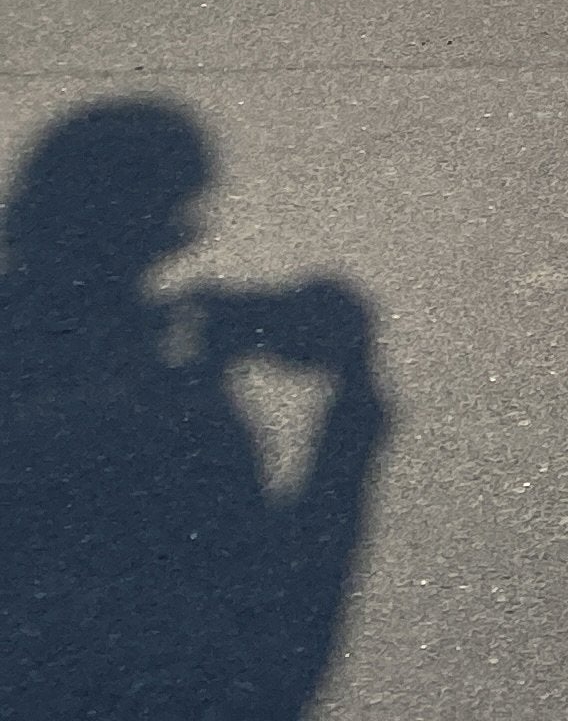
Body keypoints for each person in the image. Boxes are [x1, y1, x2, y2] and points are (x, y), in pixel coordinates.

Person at [0, 100, 389, 716]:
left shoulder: (133, 368)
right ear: (161, 233)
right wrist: (351, 421)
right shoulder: (173, 429)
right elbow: (285, 637)